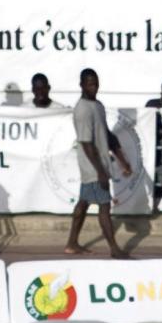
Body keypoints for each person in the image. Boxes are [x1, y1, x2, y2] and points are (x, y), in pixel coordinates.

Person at [66, 66, 134, 256]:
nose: (93, 87)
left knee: (83, 203)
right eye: (89, 84)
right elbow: (86, 143)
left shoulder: (98, 106)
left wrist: (122, 160)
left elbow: (107, 136)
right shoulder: (82, 110)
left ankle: (71, 243)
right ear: (81, 85)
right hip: (93, 167)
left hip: (98, 165)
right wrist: (101, 171)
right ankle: (114, 248)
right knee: (104, 206)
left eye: (95, 83)